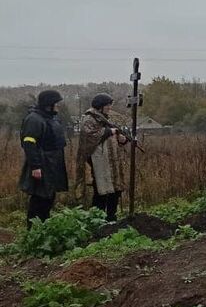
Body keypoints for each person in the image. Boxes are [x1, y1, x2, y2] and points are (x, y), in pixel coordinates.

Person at [19, 90, 69, 227]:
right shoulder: (34, 119)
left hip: (53, 164)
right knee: (39, 198)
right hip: (42, 164)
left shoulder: (51, 118)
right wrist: (35, 166)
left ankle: (44, 228)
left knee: (49, 197)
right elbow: (29, 143)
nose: (58, 106)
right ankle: (33, 231)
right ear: (49, 104)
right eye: (56, 103)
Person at [76, 93, 127, 221]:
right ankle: (97, 219)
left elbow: (116, 136)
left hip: (113, 161)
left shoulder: (106, 119)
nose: (110, 107)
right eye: (108, 105)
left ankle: (111, 217)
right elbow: (89, 137)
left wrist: (122, 139)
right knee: (101, 191)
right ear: (100, 106)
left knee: (115, 190)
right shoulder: (89, 119)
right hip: (99, 162)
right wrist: (109, 132)